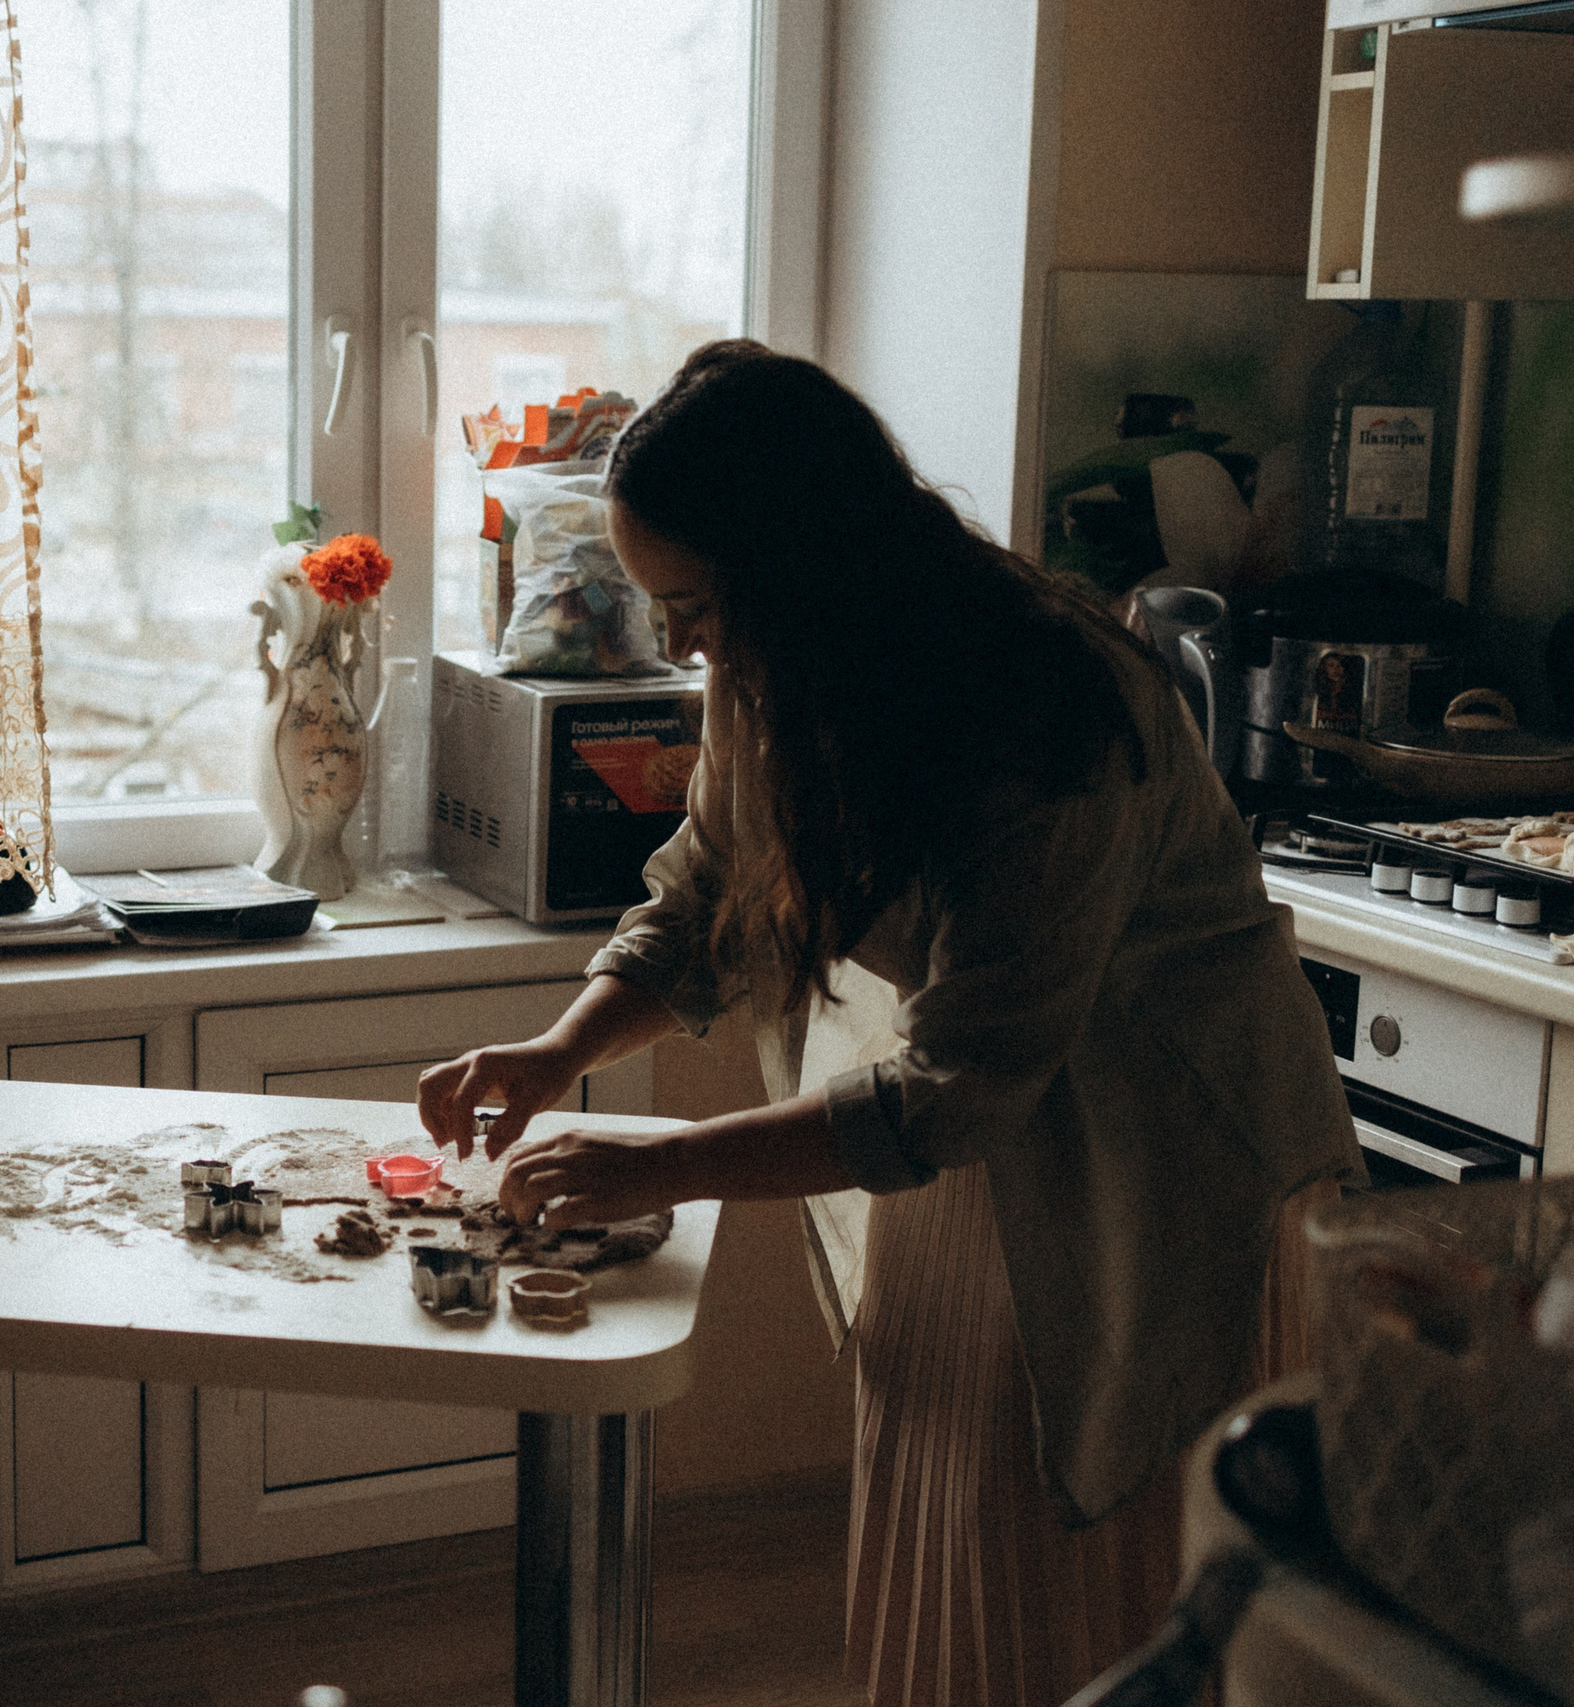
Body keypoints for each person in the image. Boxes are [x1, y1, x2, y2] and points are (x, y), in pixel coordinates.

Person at [419, 342, 1361, 1706]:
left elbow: (954, 1093)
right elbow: (706, 886)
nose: (677, 643)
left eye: (691, 604)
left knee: (1098, 1591)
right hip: (981, 1144)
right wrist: (563, 1046)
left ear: (804, 565)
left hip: (1167, 1166)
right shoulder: (783, 663)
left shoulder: (1052, 716)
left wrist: (661, 1165)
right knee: (954, 1555)